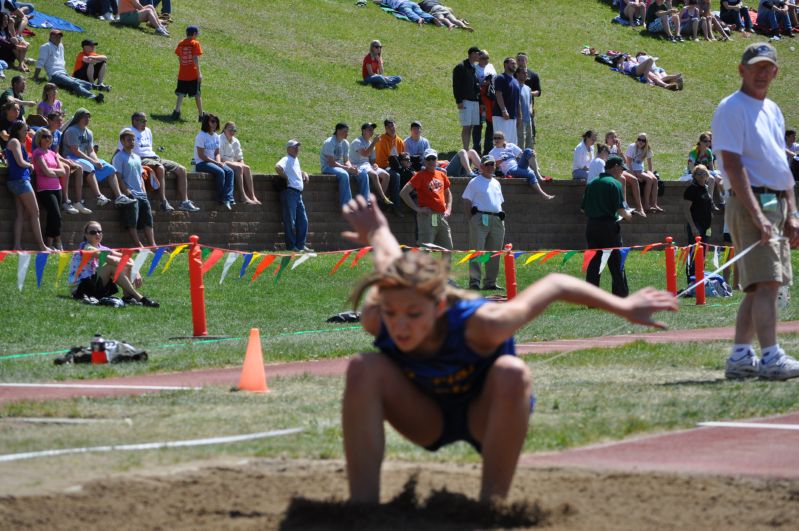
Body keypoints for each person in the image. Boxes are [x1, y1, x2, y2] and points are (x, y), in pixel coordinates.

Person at [340, 193, 678, 504]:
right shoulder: (380, 313)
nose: (400, 325)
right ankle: (363, 509)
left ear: (439, 308)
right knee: (363, 367)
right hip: (424, 415)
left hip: (485, 416)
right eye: (392, 313)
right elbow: (389, 260)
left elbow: (556, 283)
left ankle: (493, 506)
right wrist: (378, 229)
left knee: (512, 372)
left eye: (414, 315)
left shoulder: (485, 323)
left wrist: (624, 307)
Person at [712, 42, 799, 380]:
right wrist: (758, 214)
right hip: (751, 202)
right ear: (741, 70)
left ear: (776, 72)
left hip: (773, 201)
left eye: (768, 68)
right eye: (756, 67)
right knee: (768, 283)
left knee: (760, 285)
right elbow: (733, 165)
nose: (763, 73)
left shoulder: (773, 110)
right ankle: (771, 356)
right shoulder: (731, 109)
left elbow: (781, 166)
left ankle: (741, 356)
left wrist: (791, 212)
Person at [68, 220, 160, 307]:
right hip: (81, 289)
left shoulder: (102, 248)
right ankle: (140, 298)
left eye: (99, 231)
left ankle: (128, 296)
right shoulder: (87, 248)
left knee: (123, 266)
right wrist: (133, 267)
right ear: (86, 235)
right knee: (112, 266)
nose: (97, 234)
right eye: (93, 232)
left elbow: (126, 257)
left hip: (93, 284)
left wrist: (136, 270)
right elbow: (113, 261)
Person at [125, 111, 199, 212]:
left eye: (146, 121)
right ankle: (163, 201)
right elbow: (122, 148)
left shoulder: (148, 131)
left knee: (182, 169)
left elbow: (149, 148)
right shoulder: (129, 131)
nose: (145, 124)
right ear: (134, 121)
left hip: (154, 157)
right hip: (141, 158)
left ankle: (184, 202)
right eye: (143, 121)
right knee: (160, 168)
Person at [61, 107, 133, 207]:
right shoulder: (72, 131)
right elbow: (75, 151)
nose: (87, 120)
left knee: (111, 168)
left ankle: (119, 196)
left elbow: (90, 150)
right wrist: (93, 162)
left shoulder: (89, 132)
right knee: (90, 166)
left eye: (88, 118)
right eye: (84, 117)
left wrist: (96, 160)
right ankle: (99, 196)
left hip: (83, 157)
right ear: (78, 118)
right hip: (71, 157)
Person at [581, 156, 632, 297]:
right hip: (609, 227)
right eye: (621, 168)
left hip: (591, 226)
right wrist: (629, 215)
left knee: (594, 263)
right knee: (616, 262)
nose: (622, 171)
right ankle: (620, 296)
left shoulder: (592, 183)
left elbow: (583, 209)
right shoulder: (614, 184)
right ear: (615, 166)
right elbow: (621, 211)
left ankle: (591, 299)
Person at [462, 155, 505, 290]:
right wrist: (471, 220)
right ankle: (474, 282)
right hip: (479, 218)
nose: (490, 167)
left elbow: (499, 202)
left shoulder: (496, 183)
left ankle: (490, 282)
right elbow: (466, 201)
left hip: (497, 220)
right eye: (487, 164)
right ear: (481, 167)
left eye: (492, 164)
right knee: (477, 251)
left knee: (494, 252)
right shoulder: (474, 181)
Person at [5, 120, 49, 251]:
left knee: (20, 214)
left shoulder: (17, 143)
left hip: (15, 181)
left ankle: (17, 246)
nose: (27, 132)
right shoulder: (14, 142)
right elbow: (20, 161)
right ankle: (42, 246)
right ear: (18, 130)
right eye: (25, 130)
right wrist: (30, 165)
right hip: (20, 181)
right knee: (35, 212)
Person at [399, 148, 453, 249]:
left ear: (437, 160)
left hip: (442, 216)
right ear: (424, 161)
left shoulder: (442, 174)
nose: (431, 161)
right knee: (425, 250)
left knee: (448, 249)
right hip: (427, 217)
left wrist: (448, 209)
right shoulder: (420, 175)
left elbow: (448, 194)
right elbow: (404, 193)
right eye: (429, 159)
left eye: (433, 159)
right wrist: (417, 209)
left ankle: (444, 266)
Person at [32, 30, 105, 102]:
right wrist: (36, 76)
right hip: (54, 74)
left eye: (60, 36)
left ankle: (96, 87)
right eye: (56, 36)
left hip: (63, 73)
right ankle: (93, 97)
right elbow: (40, 62)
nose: (59, 38)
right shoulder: (45, 47)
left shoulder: (60, 46)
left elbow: (61, 61)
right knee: (74, 83)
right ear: (51, 37)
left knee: (84, 83)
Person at [113, 128, 156, 247]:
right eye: (128, 140)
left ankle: (152, 245)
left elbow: (141, 175)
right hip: (130, 194)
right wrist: (126, 191)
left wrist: (143, 190)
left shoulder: (137, 157)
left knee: (148, 220)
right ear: (122, 141)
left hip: (142, 193)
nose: (132, 142)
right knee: (132, 221)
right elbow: (118, 176)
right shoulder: (119, 157)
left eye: (133, 139)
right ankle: (138, 245)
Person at [46, 111, 93, 215]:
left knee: (78, 167)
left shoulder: (58, 134)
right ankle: (65, 201)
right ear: (49, 121)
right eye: (57, 120)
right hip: (44, 159)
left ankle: (78, 201)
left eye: (61, 120)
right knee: (66, 168)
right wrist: (65, 161)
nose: (60, 122)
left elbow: (56, 153)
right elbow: (45, 151)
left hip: (54, 158)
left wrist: (64, 160)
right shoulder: (44, 132)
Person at [488, 131, 554, 200]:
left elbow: (522, 155)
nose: (497, 140)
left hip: (518, 165)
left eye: (499, 138)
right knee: (530, 174)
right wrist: (502, 159)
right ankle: (543, 195)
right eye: (495, 138)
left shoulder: (510, 146)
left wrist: (531, 155)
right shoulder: (492, 152)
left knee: (528, 151)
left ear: (503, 139)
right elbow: (492, 166)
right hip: (509, 170)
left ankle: (538, 174)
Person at [32, 127, 68, 249]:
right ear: (40, 139)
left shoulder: (53, 153)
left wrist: (51, 172)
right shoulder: (37, 152)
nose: (48, 139)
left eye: (50, 137)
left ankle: (50, 243)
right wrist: (53, 172)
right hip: (44, 189)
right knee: (55, 214)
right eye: (45, 136)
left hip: (57, 187)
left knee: (54, 215)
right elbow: (46, 172)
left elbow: (63, 171)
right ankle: (57, 241)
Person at [275, 139, 311, 252]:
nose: (297, 149)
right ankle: (291, 246)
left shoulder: (295, 160)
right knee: (290, 220)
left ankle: (300, 245)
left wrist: (303, 173)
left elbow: (295, 171)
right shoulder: (286, 158)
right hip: (290, 192)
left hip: (298, 194)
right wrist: (285, 178)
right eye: (294, 147)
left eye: (298, 147)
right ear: (288, 149)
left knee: (303, 220)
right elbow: (277, 167)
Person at [321, 122, 368, 206]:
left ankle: (366, 203)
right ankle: (347, 205)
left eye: (347, 131)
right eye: (345, 131)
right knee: (344, 174)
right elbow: (331, 163)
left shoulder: (345, 143)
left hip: (339, 166)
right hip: (327, 167)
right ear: (338, 131)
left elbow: (346, 160)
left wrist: (351, 167)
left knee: (363, 174)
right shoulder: (329, 142)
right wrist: (346, 169)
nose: (347, 133)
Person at [195, 113, 234, 209]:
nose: (215, 123)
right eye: (212, 121)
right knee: (221, 172)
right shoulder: (201, 136)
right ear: (206, 122)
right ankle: (220, 198)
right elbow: (201, 155)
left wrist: (219, 162)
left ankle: (228, 198)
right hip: (201, 163)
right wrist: (216, 163)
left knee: (230, 171)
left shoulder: (216, 136)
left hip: (213, 162)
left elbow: (217, 152)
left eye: (216, 121)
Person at [682, 164, 713, 281]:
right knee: (694, 253)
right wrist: (693, 226)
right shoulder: (691, 189)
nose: (701, 176)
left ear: (707, 175)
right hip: (696, 225)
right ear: (694, 175)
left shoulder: (705, 188)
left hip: (706, 226)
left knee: (703, 253)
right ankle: (691, 280)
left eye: (704, 173)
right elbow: (686, 209)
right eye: (699, 173)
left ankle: (700, 279)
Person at [350, 122, 392, 205]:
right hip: (357, 165)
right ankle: (384, 197)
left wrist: (374, 164)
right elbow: (364, 154)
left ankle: (378, 200)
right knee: (374, 175)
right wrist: (374, 143)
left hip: (367, 165)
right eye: (369, 130)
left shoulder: (370, 143)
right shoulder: (357, 142)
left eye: (372, 130)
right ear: (363, 130)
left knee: (386, 176)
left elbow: (371, 159)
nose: (372, 132)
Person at [220, 121, 259, 205]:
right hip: (223, 162)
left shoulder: (236, 141)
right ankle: (242, 196)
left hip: (233, 163)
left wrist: (242, 164)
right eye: (230, 130)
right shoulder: (220, 139)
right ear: (224, 129)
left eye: (234, 130)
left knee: (247, 167)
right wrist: (239, 165)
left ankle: (252, 195)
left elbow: (240, 158)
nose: (232, 132)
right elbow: (221, 158)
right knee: (239, 168)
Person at [452, 46, 481, 151]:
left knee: (471, 126)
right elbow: (456, 85)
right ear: (473, 53)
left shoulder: (474, 67)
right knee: (466, 126)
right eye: (478, 53)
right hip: (465, 101)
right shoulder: (461, 67)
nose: (480, 56)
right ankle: (465, 148)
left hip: (474, 101)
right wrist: (459, 100)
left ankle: (467, 148)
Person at [624, 133, 662, 212]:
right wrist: (634, 175)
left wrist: (651, 173)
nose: (641, 142)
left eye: (643, 140)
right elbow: (628, 163)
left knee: (654, 179)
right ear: (637, 140)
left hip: (640, 170)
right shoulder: (632, 147)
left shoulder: (647, 149)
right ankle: (646, 205)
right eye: (639, 139)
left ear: (646, 142)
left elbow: (650, 165)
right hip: (631, 170)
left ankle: (654, 204)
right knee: (649, 179)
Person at [172, 26, 202, 122]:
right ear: (194, 34)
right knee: (197, 94)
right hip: (193, 74)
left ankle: (176, 112)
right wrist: (199, 73)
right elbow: (195, 58)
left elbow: (179, 57)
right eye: (197, 34)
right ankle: (201, 115)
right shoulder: (195, 43)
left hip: (182, 74)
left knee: (181, 93)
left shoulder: (181, 43)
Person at [374, 118, 405, 207]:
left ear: (396, 126)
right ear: (385, 129)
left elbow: (402, 158)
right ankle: (396, 206)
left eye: (393, 126)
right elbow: (380, 161)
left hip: (397, 167)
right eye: (389, 127)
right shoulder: (382, 140)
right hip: (383, 167)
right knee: (396, 175)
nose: (391, 128)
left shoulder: (400, 141)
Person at [515, 53, 542, 148]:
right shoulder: (513, 75)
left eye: (522, 60)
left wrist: (528, 94)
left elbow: (539, 92)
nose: (520, 62)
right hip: (518, 113)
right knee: (520, 136)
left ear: (526, 61)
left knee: (530, 133)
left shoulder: (533, 75)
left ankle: (530, 150)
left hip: (528, 110)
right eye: (518, 60)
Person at [371, 0, 438, 25]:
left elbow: (377, 1)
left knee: (409, 12)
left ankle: (418, 19)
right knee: (421, 12)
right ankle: (431, 18)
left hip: (402, 5)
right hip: (411, 3)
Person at [515, 68, 534, 151]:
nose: (525, 75)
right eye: (523, 73)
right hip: (520, 119)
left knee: (529, 141)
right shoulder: (515, 86)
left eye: (526, 73)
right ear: (517, 74)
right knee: (520, 141)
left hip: (528, 119)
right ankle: (520, 161)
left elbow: (530, 102)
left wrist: (531, 110)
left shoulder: (528, 88)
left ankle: (529, 160)